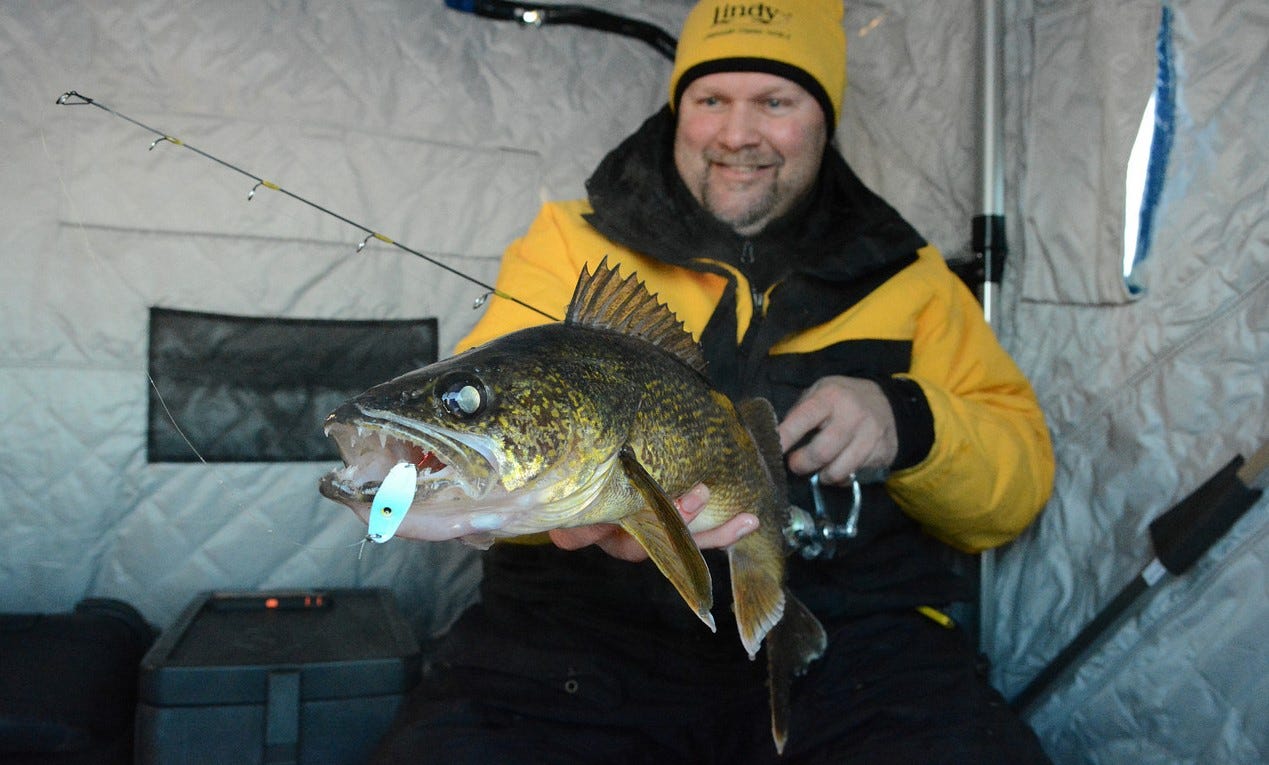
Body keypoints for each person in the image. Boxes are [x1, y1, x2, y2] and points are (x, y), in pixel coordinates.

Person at [372, 1, 1055, 762]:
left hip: (854, 647)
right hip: (574, 646)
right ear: (677, 110)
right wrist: (577, 513)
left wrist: (907, 419)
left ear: (824, 120)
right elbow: (486, 433)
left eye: (775, 101)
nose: (737, 134)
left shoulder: (912, 277)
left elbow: (1016, 486)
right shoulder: (570, 242)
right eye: (710, 100)